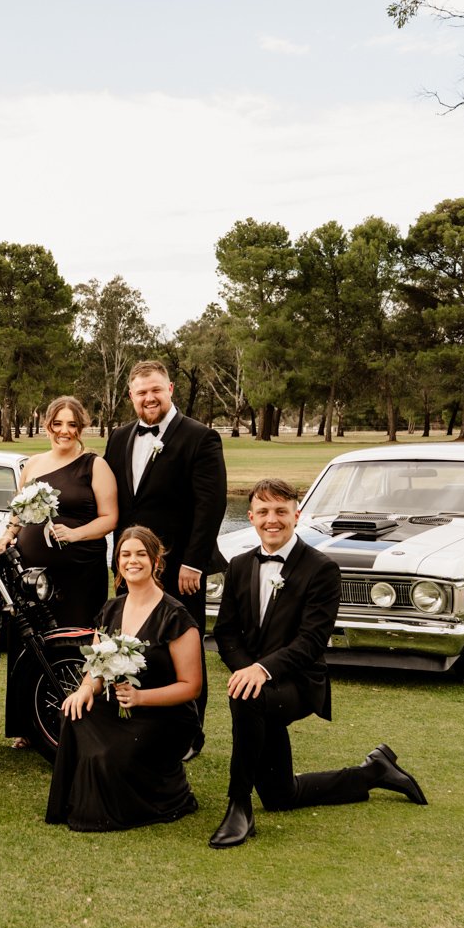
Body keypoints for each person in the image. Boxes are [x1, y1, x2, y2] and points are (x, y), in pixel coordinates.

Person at [208, 479, 428, 849]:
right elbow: (226, 634)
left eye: (281, 511)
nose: (272, 520)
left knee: (246, 700)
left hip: (298, 682)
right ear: (251, 518)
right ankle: (373, 771)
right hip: (258, 683)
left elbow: (310, 642)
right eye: (263, 512)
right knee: (281, 795)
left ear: (298, 515)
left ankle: (238, 805)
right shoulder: (240, 565)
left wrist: (260, 671)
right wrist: (247, 669)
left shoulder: (321, 569)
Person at [103, 360, 226, 760]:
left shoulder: (199, 437)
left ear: (170, 388)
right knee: (135, 641)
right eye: (141, 392)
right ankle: (142, 718)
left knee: (182, 647)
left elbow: (211, 506)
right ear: (131, 397)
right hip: (130, 564)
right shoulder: (119, 437)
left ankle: (191, 734)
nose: (149, 398)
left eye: (155, 389)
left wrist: (194, 561)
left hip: (180, 567)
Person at [45, 526, 203, 831]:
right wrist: (85, 689)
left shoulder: (176, 616)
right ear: (117, 562)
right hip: (119, 703)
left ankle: (172, 796)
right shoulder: (110, 609)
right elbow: (95, 665)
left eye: (141, 554)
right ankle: (83, 797)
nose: (133, 561)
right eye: (125, 555)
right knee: (74, 714)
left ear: (156, 562)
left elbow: (191, 687)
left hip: (164, 714)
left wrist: (141, 697)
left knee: (110, 755)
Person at [0, 396, 117, 747]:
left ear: (81, 428)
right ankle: (30, 726)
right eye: (58, 424)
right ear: (48, 425)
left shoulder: (95, 465)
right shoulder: (32, 464)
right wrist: (8, 535)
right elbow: (18, 512)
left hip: (79, 573)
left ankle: (79, 722)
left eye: (72, 425)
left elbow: (110, 518)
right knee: (30, 644)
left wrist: (75, 533)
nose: (64, 431)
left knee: (75, 643)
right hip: (33, 576)